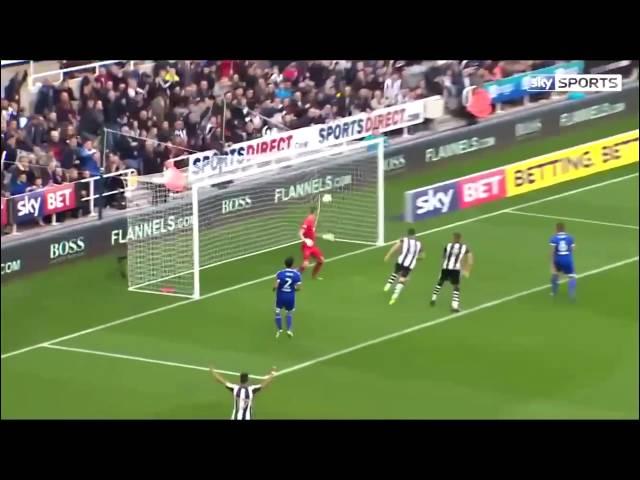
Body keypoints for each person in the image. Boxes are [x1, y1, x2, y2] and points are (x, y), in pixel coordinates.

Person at [209, 367, 276, 420]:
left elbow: (221, 380)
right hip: (247, 417)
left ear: (240, 380)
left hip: (235, 417)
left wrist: (213, 371)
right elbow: (265, 383)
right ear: (247, 380)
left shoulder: (235, 388)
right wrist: (272, 373)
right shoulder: (251, 389)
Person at [430, 232, 473, 312]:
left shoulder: (448, 246)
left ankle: (433, 298)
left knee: (440, 282)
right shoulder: (464, 247)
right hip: (455, 269)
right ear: (460, 239)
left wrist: (442, 268)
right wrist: (467, 270)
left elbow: (443, 258)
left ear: (454, 239)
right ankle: (455, 306)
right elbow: (470, 259)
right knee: (456, 286)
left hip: (446, 267)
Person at [383, 228, 423, 305]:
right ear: (415, 235)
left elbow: (395, 247)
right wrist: (415, 257)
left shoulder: (404, 240)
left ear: (408, 234)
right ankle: (395, 294)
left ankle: (388, 285)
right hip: (410, 264)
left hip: (401, 260)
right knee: (403, 279)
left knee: (396, 272)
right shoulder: (419, 244)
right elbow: (422, 256)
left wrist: (388, 255)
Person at [273, 256, 302, 338]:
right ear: (292, 264)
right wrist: (293, 289)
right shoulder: (297, 274)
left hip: (281, 296)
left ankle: (279, 330)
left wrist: (274, 288)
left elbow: (276, 286)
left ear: (284, 264)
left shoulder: (280, 273)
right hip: (290, 297)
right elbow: (299, 287)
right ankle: (289, 330)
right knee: (289, 312)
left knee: (277, 312)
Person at [550, 222, 576, 299]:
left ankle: (554, 292)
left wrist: (552, 263)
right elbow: (573, 249)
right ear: (564, 229)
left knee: (555, 274)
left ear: (557, 229)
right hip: (567, 258)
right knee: (571, 276)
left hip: (557, 259)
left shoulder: (553, 238)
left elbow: (552, 251)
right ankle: (571, 294)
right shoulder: (570, 237)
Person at [298, 205, 325, 279]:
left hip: (312, 246)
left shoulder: (313, 220)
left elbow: (311, 232)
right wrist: (305, 240)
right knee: (305, 264)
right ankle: (295, 276)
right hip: (306, 246)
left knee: (321, 261)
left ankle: (314, 276)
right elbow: (300, 232)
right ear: (315, 213)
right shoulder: (308, 220)